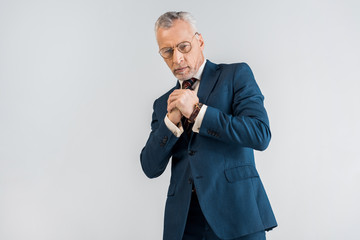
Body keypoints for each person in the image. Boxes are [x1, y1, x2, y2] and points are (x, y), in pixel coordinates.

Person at [140, 11, 277, 240]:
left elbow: (259, 134)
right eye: (168, 51)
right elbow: (149, 167)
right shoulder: (162, 104)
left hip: (237, 214)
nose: (177, 59)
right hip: (184, 224)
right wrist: (170, 123)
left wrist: (197, 112)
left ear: (199, 41)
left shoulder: (235, 75)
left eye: (183, 46)